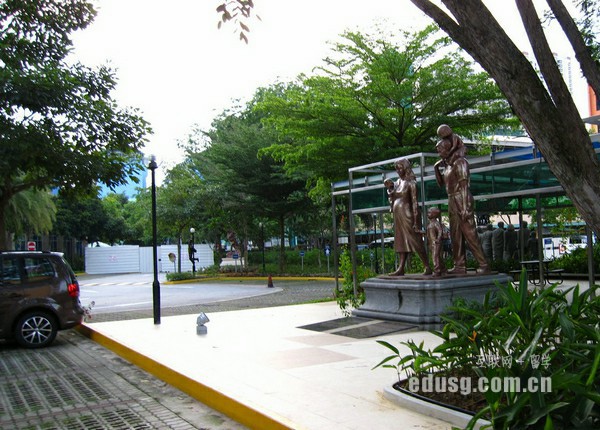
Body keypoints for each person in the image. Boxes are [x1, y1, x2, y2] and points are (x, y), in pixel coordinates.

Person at [434, 125, 490, 274]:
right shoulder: (448, 166)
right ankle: (459, 265)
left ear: (447, 149)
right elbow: (441, 184)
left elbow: (464, 186)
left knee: (469, 233)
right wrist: (436, 169)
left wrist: (465, 207)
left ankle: (483, 264)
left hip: (462, 197)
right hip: (452, 199)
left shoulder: (460, 162)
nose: (438, 153)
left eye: (440, 150)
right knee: (455, 234)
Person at [386, 158, 432, 276]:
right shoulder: (397, 182)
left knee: (415, 240)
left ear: (405, 168)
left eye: (400, 168)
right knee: (401, 240)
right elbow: (393, 196)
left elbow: (415, 203)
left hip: (408, 215)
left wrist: (416, 221)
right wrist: (390, 189)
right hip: (399, 215)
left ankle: (427, 266)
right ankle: (401, 267)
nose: (398, 171)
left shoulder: (411, 183)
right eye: (396, 169)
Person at [426, 207, 447, 277]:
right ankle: (443, 268)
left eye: (429, 213)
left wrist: (438, 238)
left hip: (436, 243)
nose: (427, 214)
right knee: (437, 257)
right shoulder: (430, 224)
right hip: (431, 243)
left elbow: (440, 231)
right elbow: (428, 233)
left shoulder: (436, 223)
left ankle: (437, 270)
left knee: (435, 256)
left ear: (434, 214)